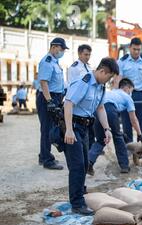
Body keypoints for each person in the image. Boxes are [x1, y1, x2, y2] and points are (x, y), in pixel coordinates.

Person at [62, 58, 119, 215]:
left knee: (84, 164)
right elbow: (68, 103)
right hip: (72, 126)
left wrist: (107, 129)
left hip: (85, 127)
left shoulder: (100, 87)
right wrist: (68, 130)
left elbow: (100, 108)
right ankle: (77, 204)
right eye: (109, 77)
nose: (109, 81)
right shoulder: (84, 81)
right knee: (78, 165)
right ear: (102, 71)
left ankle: (80, 194)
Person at [88, 78, 142, 175]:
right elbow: (133, 119)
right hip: (110, 109)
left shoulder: (111, 92)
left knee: (100, 140)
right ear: (127, 88)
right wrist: (140, 134)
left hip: (97, 111)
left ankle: (89, 161)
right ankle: (124, 166)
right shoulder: (127, 97)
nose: (131, 93)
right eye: (131, 90)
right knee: (118, 137)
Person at [37, 37, 68, 170]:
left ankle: (43, 155)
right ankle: (47, 160)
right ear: (54, 47)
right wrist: (49, 101)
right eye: (61, 49)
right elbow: (44, 82)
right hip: (47, 98)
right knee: (47, 129)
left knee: (49, 128)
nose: (62, 52)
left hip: (55, 97)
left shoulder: (55, 61)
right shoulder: (47, 61)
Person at [117, 37, 142, 143]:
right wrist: (117, 95)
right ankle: (129, 148)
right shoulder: (122, 62)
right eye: (134, 49)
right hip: (125, 95)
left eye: (139, 49)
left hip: (140, 95)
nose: (137, 52)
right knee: (126, 123)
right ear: (130, 48)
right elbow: (118, 79)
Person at [68, 44, 95, 149]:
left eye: (89, 55)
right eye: (85, 54)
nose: (87, 57)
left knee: (90, 126)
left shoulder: (89, 67)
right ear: (79, 54)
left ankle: (90, 146)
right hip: (78, 100)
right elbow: (72, 85)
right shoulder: (74, 68)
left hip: (88, 100)